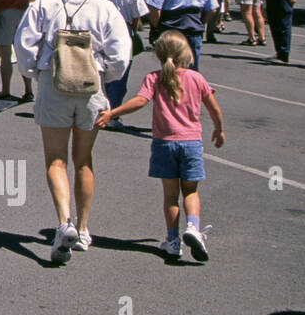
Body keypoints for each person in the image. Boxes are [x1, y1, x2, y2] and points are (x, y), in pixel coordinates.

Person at [14, 0, 131, 263]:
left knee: (55, 159)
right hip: (91, 86)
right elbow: (121, 52)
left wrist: (32, 72)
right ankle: (82, 227)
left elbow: (24, 43)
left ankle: (64, 220)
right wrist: (107, 75)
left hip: (53, 83)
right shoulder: (105, 8)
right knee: (84, 161)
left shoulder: (45, 3)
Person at [95, 31, 225, 262]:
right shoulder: (197, 78)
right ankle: (193, 228)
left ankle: (173, 241)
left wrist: (113, 112)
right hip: (191, 142)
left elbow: (140, 101)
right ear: (186, 53)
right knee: (191, 191)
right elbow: (214, 107)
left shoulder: (154, 78)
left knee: (171, 196)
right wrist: (219, 129)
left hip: (164, 143)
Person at [97, 0, 149, 128]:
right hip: (123, 34)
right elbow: (138, 15)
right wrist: (133, 31)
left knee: (101, 71)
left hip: (102, 32)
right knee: (120, 73)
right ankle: (113, 113)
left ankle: (101, 109)